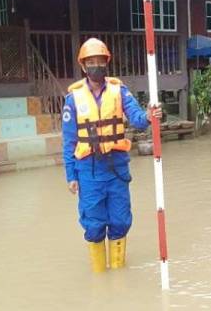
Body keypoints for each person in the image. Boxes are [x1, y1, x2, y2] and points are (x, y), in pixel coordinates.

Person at [62, 37, 162, 273]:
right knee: (94, 225)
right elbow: (69, 141)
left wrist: (149, 115)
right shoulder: (73, 99)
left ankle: (118, 275)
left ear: (106, 63)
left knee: (119, 221)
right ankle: (99, 276)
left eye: (100, 61)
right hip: (88, 170)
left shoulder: (120, 91)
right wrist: (71, 175)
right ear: (84, 66)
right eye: (91, 62)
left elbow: (137, 118)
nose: (96, 66)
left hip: (116, 168)